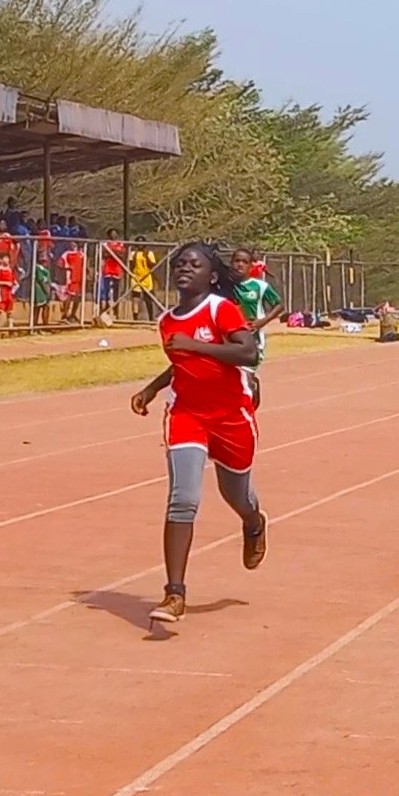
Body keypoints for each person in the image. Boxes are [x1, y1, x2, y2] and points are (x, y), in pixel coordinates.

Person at [129, 242, 270, 627]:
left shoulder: (221, 309)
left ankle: (254, 522)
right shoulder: (167, 320)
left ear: (211, 275)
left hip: (230, 416)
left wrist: (197, 345)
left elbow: (247, 354)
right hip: (187, 415)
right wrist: (152, 388)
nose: (184, 269)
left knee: (235, 494)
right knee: (183, 499)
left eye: (195, 264)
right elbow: (182, 363)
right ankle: (175, 593)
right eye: (179, 264)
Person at [229, 248, 282, 409]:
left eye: (244, 262)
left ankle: (251, 397)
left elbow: (279, 305)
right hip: (230, 339)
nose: (239, 265)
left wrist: (262, 321)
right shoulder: (225, 286)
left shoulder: (260, 286)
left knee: (245, 379)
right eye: (236, 261)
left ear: (251, 265)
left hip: (253, 339)